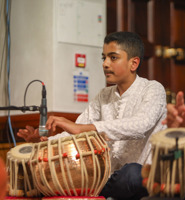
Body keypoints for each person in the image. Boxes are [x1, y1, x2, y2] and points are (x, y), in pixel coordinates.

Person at [17, 31, 167, 200]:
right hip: (108, 180)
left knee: (132, 173)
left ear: (134, 63)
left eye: (113, 57)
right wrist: (43, 142)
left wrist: (83, 128)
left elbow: (141, 124)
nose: (105, 64)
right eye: (103, 58)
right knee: (67, 179)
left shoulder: (153, 89)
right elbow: (75, 133)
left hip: (141, 178)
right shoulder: (104, 95)